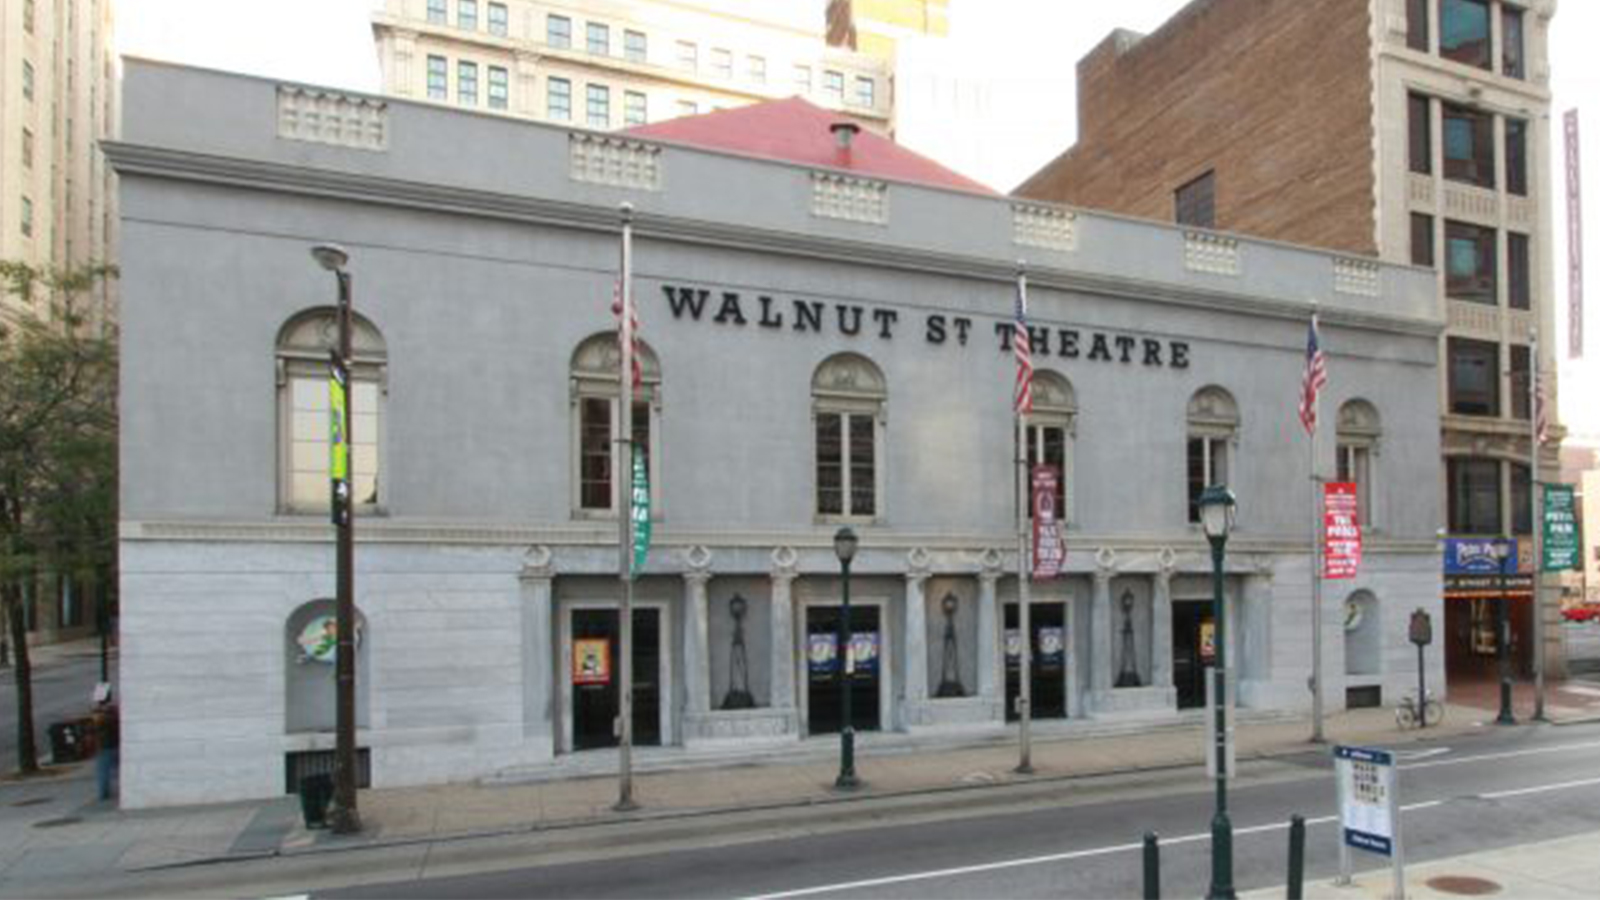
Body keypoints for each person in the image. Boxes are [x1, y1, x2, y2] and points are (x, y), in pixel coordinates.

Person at [92, 692, 120, 803]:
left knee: (102, 771)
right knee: (115, 768)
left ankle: (103, 793)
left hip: (104, 746)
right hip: (115, 744)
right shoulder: (114, 713)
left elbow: (96, 725)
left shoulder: (100, 717)